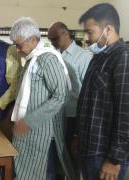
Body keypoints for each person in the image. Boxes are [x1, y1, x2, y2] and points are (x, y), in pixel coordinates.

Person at [10, 17, 76, 180]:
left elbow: (61, 96)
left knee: (45, 174)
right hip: (29, 132)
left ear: (33, 39)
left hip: (44, 133)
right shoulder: (32, 59)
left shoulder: (47, 58)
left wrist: (29, 121)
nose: (17, 50)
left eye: (19, 45)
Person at [75, 3, 129, 180]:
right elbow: (88, 102)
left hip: (104, 154)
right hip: (89, 149)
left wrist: (115, 159)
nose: (87, 38)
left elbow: (125, 112)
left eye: (90, 32)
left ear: (108, 29)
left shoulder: (123, 57)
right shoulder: (98, 58)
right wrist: (78, 136)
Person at [48, 22, 92, 179]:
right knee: (58, 159)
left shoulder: (84, 57)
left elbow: (87, 93)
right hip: (57, 115)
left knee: (73, 160)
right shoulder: (55, 56)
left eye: (54, 38)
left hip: (74, 117)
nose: (52, 42)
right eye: (50, 39)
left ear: (65, 34)